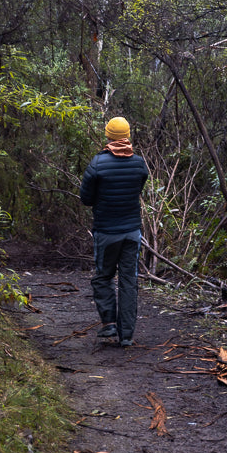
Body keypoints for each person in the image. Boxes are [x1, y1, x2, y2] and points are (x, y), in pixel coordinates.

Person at [79, 117, 149, 346]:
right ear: (127, 135)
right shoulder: (139, 164)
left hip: (106, 232)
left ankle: (109, 323)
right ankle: (126, 335)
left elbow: (86, 199)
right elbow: (136, 190)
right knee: (129, 281)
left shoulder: (97, 164)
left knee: (102, 277)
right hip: (131, 232)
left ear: (108, 136)